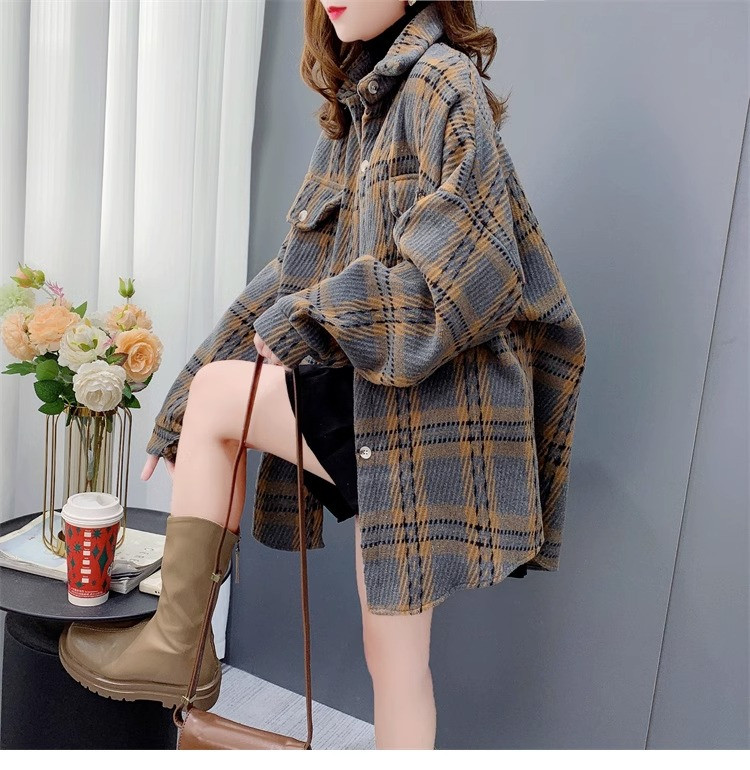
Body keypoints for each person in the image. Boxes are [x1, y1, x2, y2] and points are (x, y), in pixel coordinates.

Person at [58, 0, 587, 750]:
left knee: (394, 656)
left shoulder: (441, 84)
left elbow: (471, 275)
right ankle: (180, 645)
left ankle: (178, 645)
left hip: (433, 411)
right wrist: (181, 404)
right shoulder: (355, 110)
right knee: (394, 658)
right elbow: (288, 277)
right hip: (380, 396)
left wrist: (315, 319)